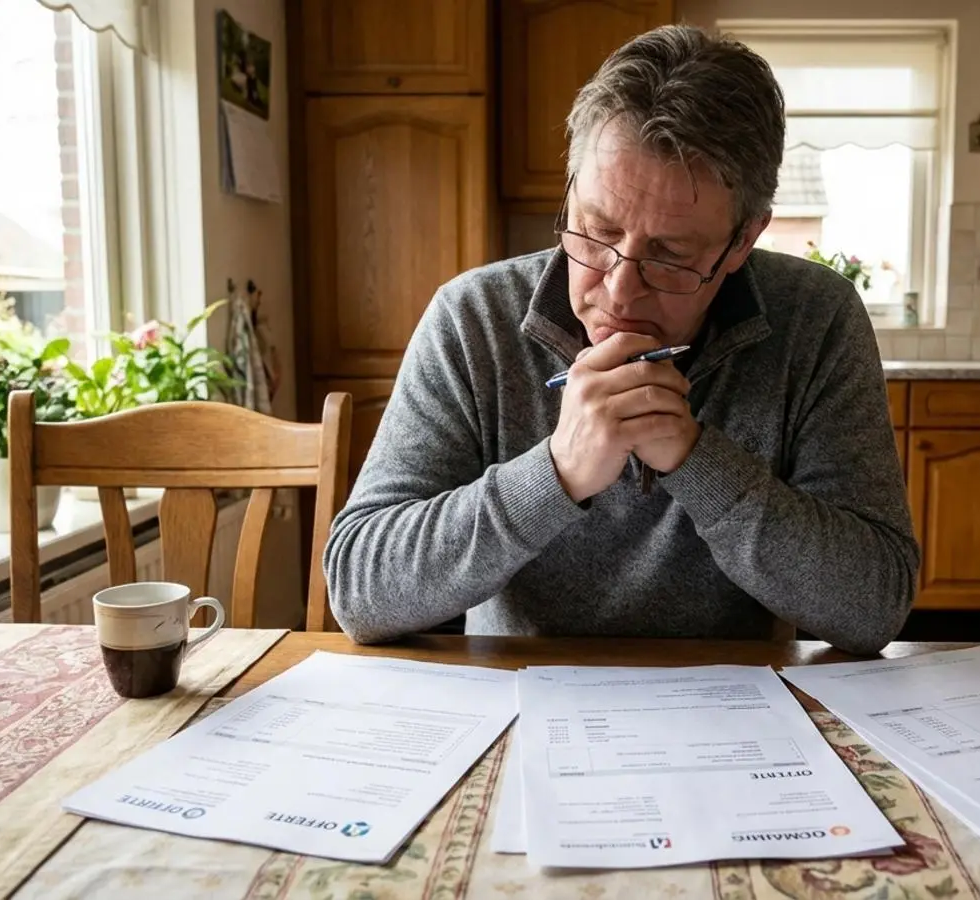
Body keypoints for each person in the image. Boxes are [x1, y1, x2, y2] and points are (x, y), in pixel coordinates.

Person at [324, 24, 918, 654]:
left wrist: (695, 460)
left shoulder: (817, 320)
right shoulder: (471, 318)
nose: (619, 291)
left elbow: (874, 607)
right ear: (569, 189)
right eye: (596, 229)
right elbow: (362, 591)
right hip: (516, 701)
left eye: (670, 255)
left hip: (739, 714)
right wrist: (555, 474)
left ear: (744, 239)